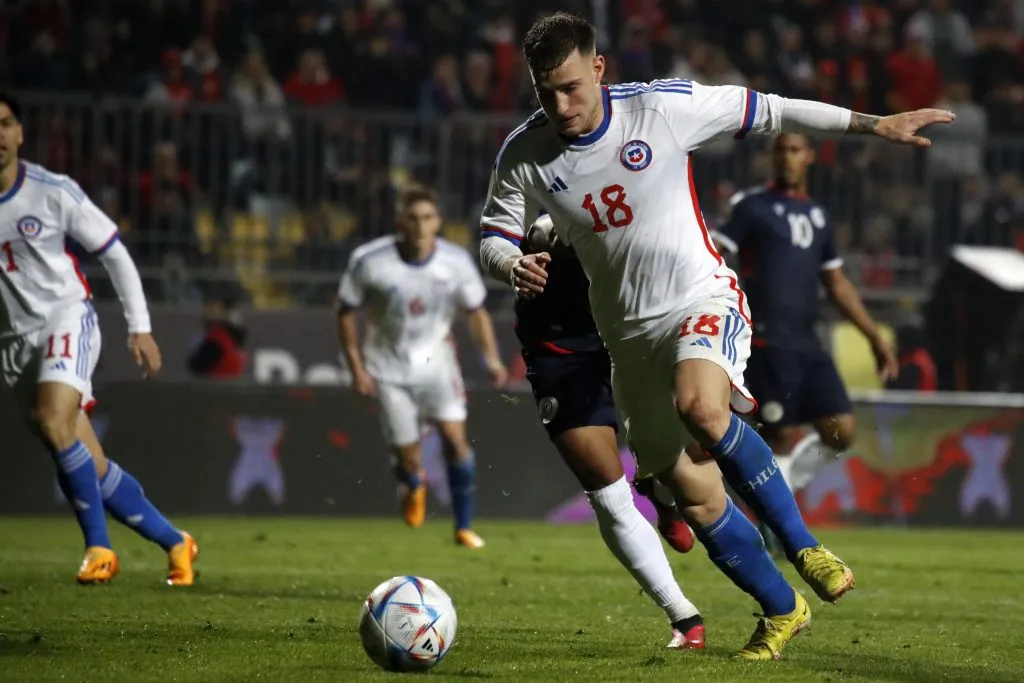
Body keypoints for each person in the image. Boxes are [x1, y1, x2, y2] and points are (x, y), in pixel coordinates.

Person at [478, 13, 953, 659]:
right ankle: (783, 609)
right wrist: (511, 262)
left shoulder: (662, 107)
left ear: (598, 68)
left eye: (569, 86)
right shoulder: (525, 151)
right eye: (544, 91)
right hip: (626, 339)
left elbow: (774, 109)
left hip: (700, 299)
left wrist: (875, 124)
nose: (559, 104)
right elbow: (494, 233)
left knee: (701, 407)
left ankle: (803, 545)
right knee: (695, 499)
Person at [0, 92, 198, 585]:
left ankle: (99, 548)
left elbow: (114, 253)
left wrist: (140, 327)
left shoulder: (51, 191)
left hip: (65, 317)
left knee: (52, 419)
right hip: (13, 342)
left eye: (4, 124)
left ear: (20, 133)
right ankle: (176, 542)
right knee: (86, 457)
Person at [519, 212, 704, 650]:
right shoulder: (539, 175)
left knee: (689, 435)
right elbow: (519, 237)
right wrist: (532, 245)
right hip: (563, 350)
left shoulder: (648, 187)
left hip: (635, 331)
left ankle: (662, 492)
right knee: (606, 491)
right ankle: (685, 617)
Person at [712, 133, 899, 552]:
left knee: (841, 431)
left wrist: (873, 336)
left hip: (808, 342)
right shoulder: (752, 206)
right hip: (767, 340)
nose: (787, 158)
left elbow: (835, 282)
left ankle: (776, 497)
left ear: (810, 157)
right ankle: (775, 528)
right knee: (778, 435)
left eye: (795, 150)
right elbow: (715, 254)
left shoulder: (818, 215)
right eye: (780, 150)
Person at [338, 186, 507, 549]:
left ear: (438, 222)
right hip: (387, 366)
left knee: (455, 438)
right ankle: (411, 481)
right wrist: (356, 368)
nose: (420, 225)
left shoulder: (455, 262)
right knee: (408, 456)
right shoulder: (370, 261)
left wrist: (490, 358)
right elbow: (346, 311)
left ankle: (463, 526)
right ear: (400, 221)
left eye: (428, 218)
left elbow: (475, 311)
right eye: (412, 218)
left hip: (436, 364)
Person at [187, 289, 248, 379]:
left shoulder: (217, 339)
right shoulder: (233, 336)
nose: (207, 311)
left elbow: (196, 365)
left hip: (215, 388)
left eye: (212, 307)